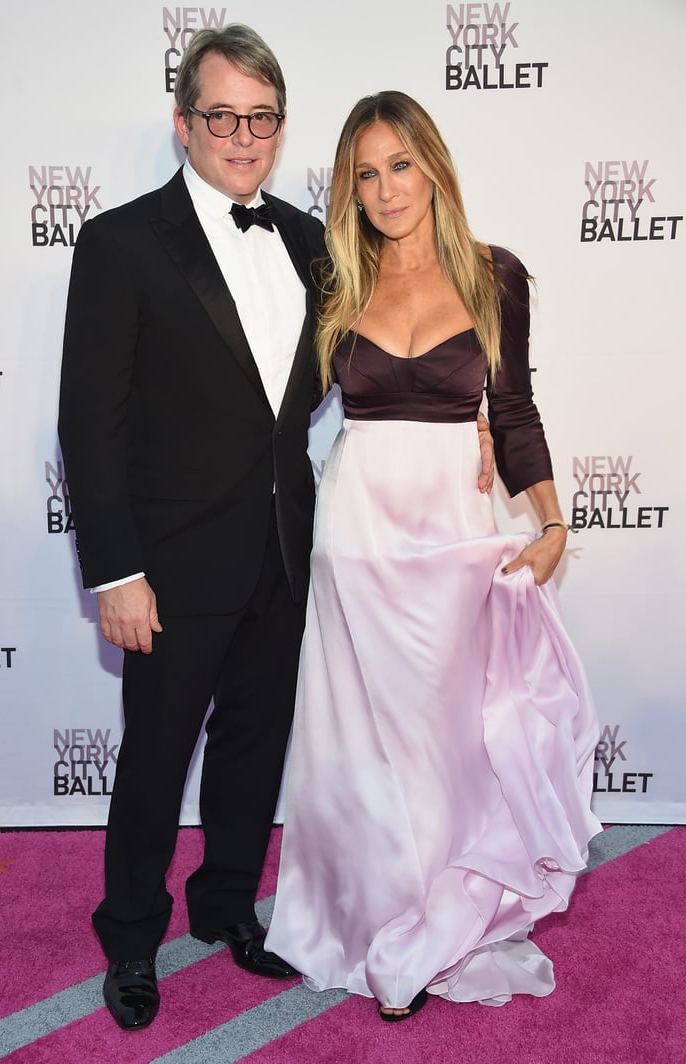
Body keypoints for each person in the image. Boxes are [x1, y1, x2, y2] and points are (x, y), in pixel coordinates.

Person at [265, 91, 601, 1021]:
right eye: (365, 174)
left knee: (447, 743)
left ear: (434, 165)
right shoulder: (334, 282)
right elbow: (284, 410)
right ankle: (376, 925)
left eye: (399, 165)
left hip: (451, 532)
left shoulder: (497, 275)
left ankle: (440, 921)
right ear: (350, 188)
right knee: (365, 752)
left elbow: (518, 412)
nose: (385, 189)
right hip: (358, 538)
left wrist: (551, 521)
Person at [58, 24, 329, 1030]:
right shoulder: (123, 241)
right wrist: (115, 570)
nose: (242, 135)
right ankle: (131, 934)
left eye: (260, 117)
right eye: (221, 115)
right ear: (183, 124)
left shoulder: (309, 238)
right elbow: (92, 418)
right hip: (168, 564)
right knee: (155, 754)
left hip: (282, 549)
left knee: (255, 745)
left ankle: (225, 906)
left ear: (277, 124)